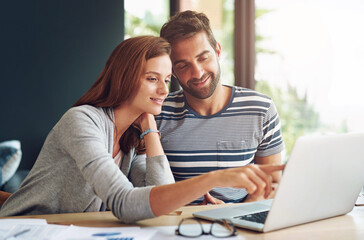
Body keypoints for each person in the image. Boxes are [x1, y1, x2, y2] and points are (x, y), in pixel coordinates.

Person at [0, 36, 284, 223]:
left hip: (67, 231)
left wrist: (149, 127)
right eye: (152, 79)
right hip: (21, 230)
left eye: (167, 79)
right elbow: (124, 203)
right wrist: (214, 178)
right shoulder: (82, 121)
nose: (164, 90)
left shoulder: (131, 137)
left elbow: (162, 197)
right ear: (123, 78)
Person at [157, 11, 285, 204]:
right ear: (172, 71)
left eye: (203, 58)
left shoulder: (261, 109)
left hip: (238, 226)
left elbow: (273, 183)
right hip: (176, 225)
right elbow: (149, 190)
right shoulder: (158, 113)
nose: (197, 73)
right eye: (183, 66)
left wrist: (232, 216)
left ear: (217, 51)